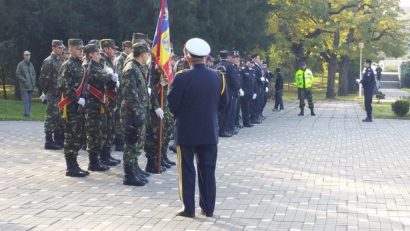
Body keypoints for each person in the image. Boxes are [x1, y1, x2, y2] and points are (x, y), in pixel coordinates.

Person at [168, 38, 228, 218]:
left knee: (186, 169)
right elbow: (224, 105)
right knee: (208, 169)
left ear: (187, 56)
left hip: (186, 132)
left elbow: (172, 106)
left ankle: (189, 208)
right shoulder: (219, 77)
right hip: (209, 130)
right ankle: (208, 208)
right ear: (207, 57)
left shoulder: (181, 77)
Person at [120, 43, 152, 186]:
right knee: (131, 143)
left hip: (138, 112)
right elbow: (129, 96)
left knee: (137, 142)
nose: (148, 56)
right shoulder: (131, 69)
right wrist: (138, 115)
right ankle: (129, 175)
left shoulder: (138, 67)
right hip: (131, 114)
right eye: (148, 53)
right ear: (142, 53)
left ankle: (134, 168)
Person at [57, 39, 89, 177]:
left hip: (78, 107)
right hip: (70, 106)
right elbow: (64, 86)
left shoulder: (80, 64)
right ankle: (71, 167)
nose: (81, 51)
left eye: (82, 49)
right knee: (71, 137)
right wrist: (77, 99)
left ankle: (75, 164)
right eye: (78, 49)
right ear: (70, 49)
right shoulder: (67, 65)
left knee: (77, 136)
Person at [83, 44, 114, 173]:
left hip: (99, 104)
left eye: (99, 53)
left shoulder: (98, 65)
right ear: (90, 54)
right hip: (93, 105)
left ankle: (98, 159)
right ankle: (93, 162)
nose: (99, 55)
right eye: (97, 53)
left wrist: (110, 77)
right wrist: (109, 75)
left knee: (100, 133)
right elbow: (99, 79)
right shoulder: (91, 67)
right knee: (94, 134)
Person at [39, 40, 65, 150]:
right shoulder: (48, 61)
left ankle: (58, 139)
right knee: (51, 117)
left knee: (58, 117)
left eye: (62, 48)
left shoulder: (60, 60)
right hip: (52, 93)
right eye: (59, 48)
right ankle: (48, 141)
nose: (61, 49)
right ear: (53, 47)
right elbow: (43, 79)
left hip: (59, 94)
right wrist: (45, 92)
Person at [99, 39, 122, 166]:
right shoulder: (102, 60)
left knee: (110, 127)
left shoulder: (110, 60)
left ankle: (107, 154)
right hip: (105, 99)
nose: (114, 51)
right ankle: (103, 156)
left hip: (111, 98)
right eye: (112, 49)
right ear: (106, 48)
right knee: (105, 128)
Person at [113, 40, 132, 151]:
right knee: (120, 115)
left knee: (124, 116)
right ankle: (119, 142)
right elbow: (119, 75)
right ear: (125, 48)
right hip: (121, 92)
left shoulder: (127, 58)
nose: (131, 50)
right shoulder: (121, 59)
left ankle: (122, 139)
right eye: (130, 48)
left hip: (126, 92)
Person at [16, 50, 36, 118]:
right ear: (24, 56)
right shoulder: (20, 64)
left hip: (31, 86)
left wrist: (33, 82)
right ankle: (26, 114)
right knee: (26, 100)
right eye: (26, 55)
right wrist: (24, 80)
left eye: (29, 55)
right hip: (24, 86)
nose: (28, 56)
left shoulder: (31, 64)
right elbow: (18, 74)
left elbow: (34, 74)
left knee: (30, 101)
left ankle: (28, 113)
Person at [240, 58, 255, 127]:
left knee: (249, 108)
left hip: (251, 92)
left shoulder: (253, 71)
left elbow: (253, 83)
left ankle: (248, 121)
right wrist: (241, 90)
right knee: (245, 108)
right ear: (247, 62)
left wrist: (254, 92)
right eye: (250, 62)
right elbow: (241, 81)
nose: (251, 64)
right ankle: (246, 122)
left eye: (252, 63)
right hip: (245, 92)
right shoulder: (243, 71)